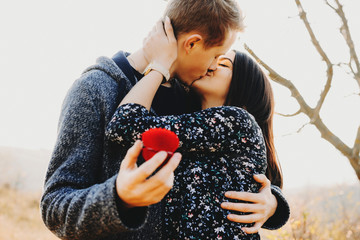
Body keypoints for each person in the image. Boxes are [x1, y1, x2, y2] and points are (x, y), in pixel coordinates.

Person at [40, 0, 289, 239]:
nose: (214, 66)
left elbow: (241, 170)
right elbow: (55, 209)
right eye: (217, 55)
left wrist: (272, 202)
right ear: (192, 44)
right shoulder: (96, 89)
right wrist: (118, 197)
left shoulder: (195, 95)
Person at [105, 19, 283, 239]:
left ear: (242, 87)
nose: (212, 64)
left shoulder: (235, 121)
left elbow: (124, 125)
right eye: (214, 58)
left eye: (224, 63)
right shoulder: (194, 125)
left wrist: (159, 66)